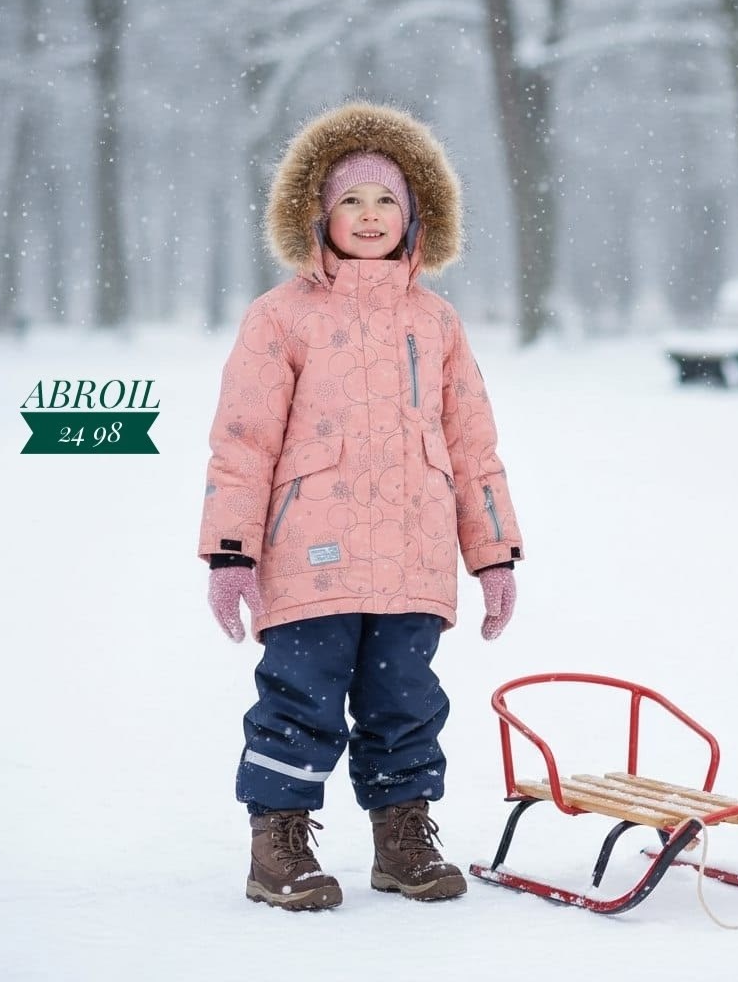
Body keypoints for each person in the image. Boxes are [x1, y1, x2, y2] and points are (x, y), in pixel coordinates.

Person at [198, 101, 523, 911]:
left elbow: (474, 446)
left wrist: (492, 554)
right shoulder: (281, 318)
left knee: (406, 703)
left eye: (387, 202)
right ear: (318, 212)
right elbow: (242, 441)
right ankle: (279, 839)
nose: (370, 217)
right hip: (311, 553)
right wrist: (232, 551)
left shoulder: (436, 322)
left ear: (416, 217)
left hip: (415, 557)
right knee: (299, 697)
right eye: (352, 200)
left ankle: (403, 835)